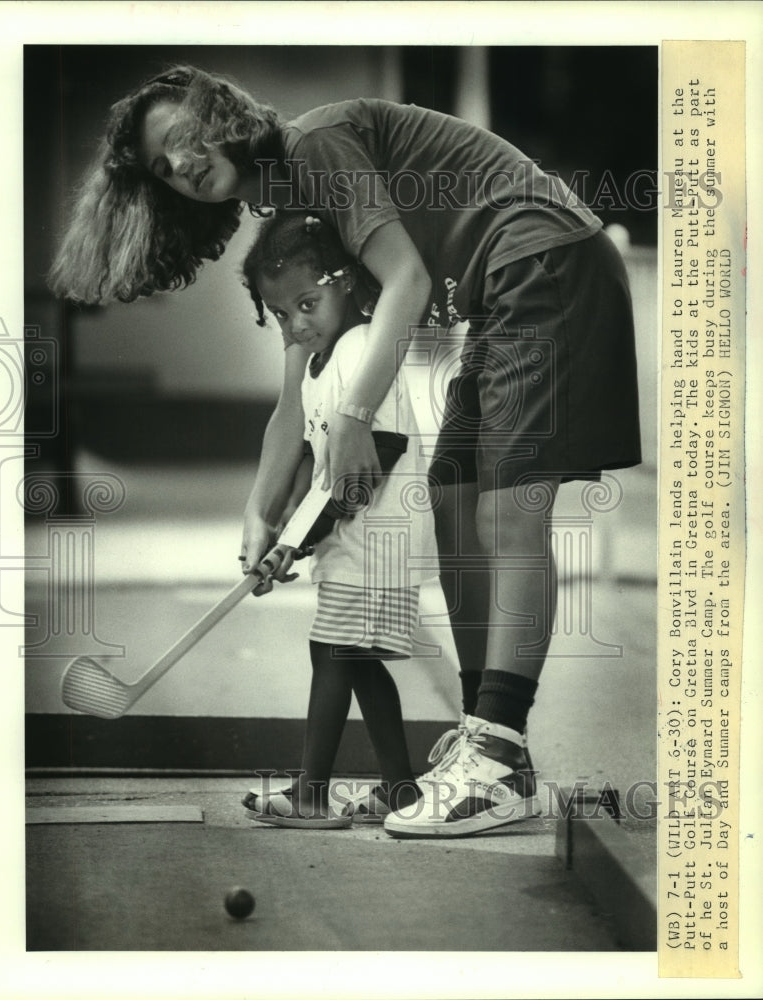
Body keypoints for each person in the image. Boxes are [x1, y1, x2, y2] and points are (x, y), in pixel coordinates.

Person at [50, 64, 642, 838]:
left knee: (506, 514)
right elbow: (291, 399)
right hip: (505, 291)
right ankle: (489, 739)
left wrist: (358, 414)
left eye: (184, 138)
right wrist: (264, 517)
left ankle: (497, 754)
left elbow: (406, 281)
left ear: (220, 114)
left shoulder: (318, 145)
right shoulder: (294, 212)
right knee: (454, 500)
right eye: (164, 168)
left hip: (546, 260)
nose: (183, 164)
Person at [234, 211, 436, 827]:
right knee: (354, 660)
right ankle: (401, 788)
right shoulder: (322, 364)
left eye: (307, 302)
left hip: (378, 539)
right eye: (283, 315)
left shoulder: (360, 350)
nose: (297, 324)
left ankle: (311, 793)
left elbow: (374, 460)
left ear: (345, 280)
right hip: (353, 538)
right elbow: (316, 462)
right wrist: (286, 526)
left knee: (333, 653)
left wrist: (297, 541)